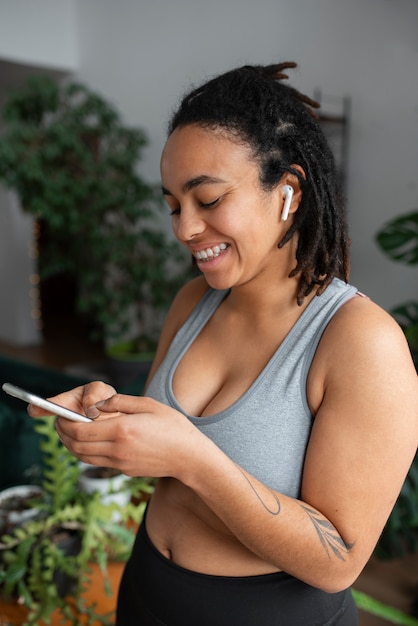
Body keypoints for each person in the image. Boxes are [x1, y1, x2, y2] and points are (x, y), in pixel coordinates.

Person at [29, 61, 418, 626]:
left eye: (207, 200)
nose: (183, 229)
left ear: (288, 191)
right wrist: (110, 430)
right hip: (146, 591)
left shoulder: (360, 342)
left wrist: (192, 457)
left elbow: (339, 563)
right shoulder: (194, 301)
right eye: (172, 205)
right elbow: (164, 465)